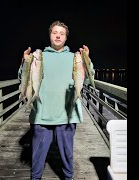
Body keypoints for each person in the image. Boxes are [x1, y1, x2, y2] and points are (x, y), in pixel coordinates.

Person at [18, 20, 95, 180]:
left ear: (66, 38)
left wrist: (87, 61)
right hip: (41, 113)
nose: (58, 35)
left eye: (62, 33)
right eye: (55, 32)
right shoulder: (39, 56)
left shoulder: (75, 57)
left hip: (67, 114)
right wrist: (25, 63)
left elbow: (86, 81)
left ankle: (68, 178)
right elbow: (23, 78)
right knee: (37, 154)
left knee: (67, 154)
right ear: (50, 35)